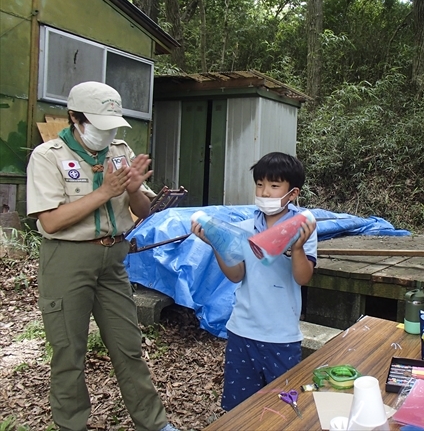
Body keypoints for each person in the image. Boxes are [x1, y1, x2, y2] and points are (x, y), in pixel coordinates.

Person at [26, 81, 178, 430]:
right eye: (98, 126)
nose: (106, 134)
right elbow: (51, 220)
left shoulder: (119, 151)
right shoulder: (49, 157)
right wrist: (105, 191)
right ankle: (72, 424)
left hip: (114, 259)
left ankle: (153, 423)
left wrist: (136, 189)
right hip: (67, 260)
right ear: (75, 118)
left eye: (112, 127)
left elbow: (141, 210)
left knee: (128, 348)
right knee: (68, 353)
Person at [191, 152, 318, 411]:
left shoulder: (302, 228)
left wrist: (297, 249)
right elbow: (236, 274)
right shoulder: (246, 227)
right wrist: (216, 243)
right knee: (239, 410)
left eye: (274, 185)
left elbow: (303, 278)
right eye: (260, 184)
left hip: (281, 336)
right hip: (242, 331)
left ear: (292, 193)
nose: (265, 192)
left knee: (283, 411)